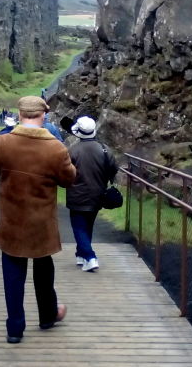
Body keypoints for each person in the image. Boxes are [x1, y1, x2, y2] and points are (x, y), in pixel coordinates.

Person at [0, 96, 77, 344]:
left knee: (12, 271)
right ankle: (48, 315)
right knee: (44, 266)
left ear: (20, 113)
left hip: (12, 220)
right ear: (43, 115)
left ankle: (15, 327)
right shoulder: (56, 148)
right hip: (41, 220)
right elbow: (69, 180)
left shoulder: (4, 142)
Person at [66, 116, 118, 272]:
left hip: (76, 195)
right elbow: (113, 169)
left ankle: (89, 256)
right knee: (88, 225)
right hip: (98, 194)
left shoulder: (72, 151)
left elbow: (65, 172)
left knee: (79, 227)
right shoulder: (104, 149)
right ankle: (80, 254)